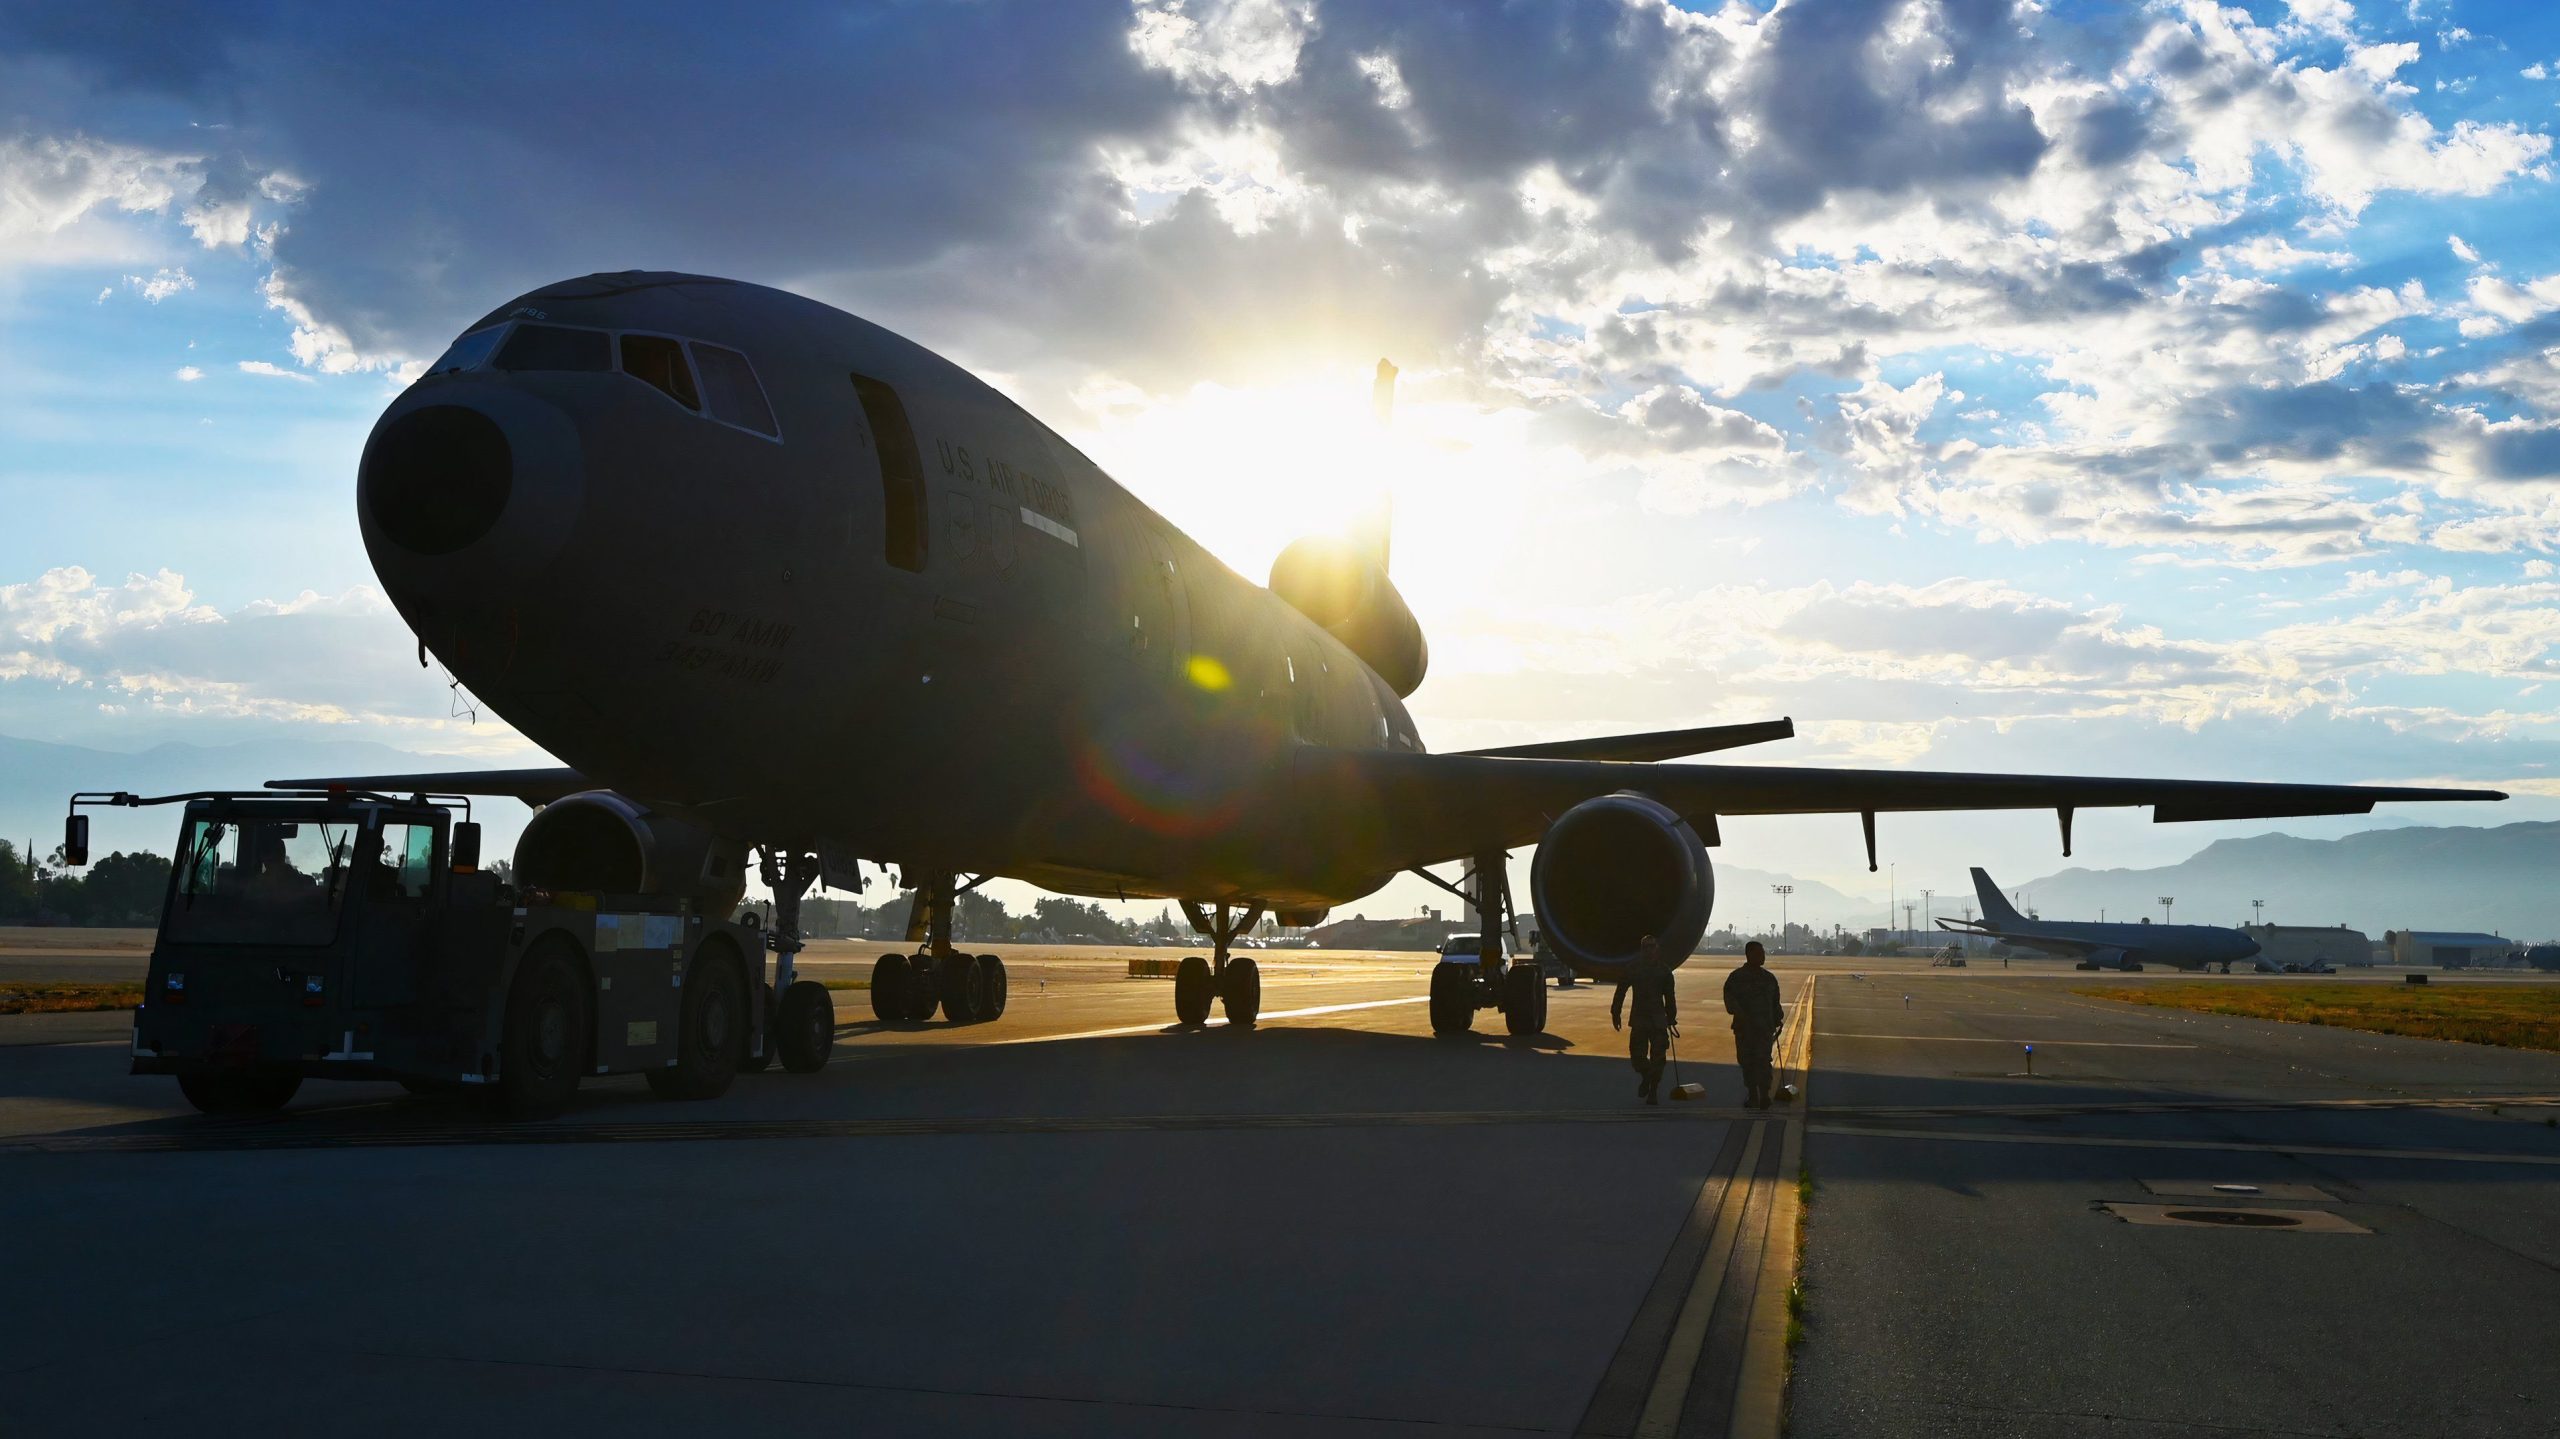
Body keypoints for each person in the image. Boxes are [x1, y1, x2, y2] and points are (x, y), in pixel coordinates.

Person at [1610, 934, 1678, 1105]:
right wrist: (1615, 1012)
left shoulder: (1664, 971)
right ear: (1641, 950)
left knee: (1658, 1059)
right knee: (1637, 1057)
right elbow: (1621, 991)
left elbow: (1670, 998)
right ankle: (1647, 1077)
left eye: (1652, 946)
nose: (1649, 950)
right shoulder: (1633, 969)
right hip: (1639, 1020)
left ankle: (1653, 1091)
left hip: (1658, 1021)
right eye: (1645, 947)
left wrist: (1671, 1017)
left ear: (1657, 949)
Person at [1725, 940, 1784, 1108]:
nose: (1763, 956)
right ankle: (1753, 1094)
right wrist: (1742, 1014)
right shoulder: (1736, 978)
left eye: (1763, 953)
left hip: (1764, 1029)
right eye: (1759, 953)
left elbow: (1775, 1003)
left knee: (1763, 1061)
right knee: (1747, 1061)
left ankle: (1764, 1095)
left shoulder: (1769, 978)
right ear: (1749, 954)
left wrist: (1778, 1018)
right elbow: (1730, 1003)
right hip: (1745, 1029)